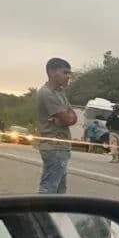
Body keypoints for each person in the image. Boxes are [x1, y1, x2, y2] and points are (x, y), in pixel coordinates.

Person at [36, 57, 77, 194]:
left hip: (62, 146)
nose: (68, 77)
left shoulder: (60, 92)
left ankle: (55, 214)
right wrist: (66, 117)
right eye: (65, 73)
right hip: (54, 146)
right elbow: (66, 117)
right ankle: (41, 213)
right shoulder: (46, 93)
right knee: (49, 187)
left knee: (60, 190)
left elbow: (72, 117)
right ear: (52, 72)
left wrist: (66, 118)